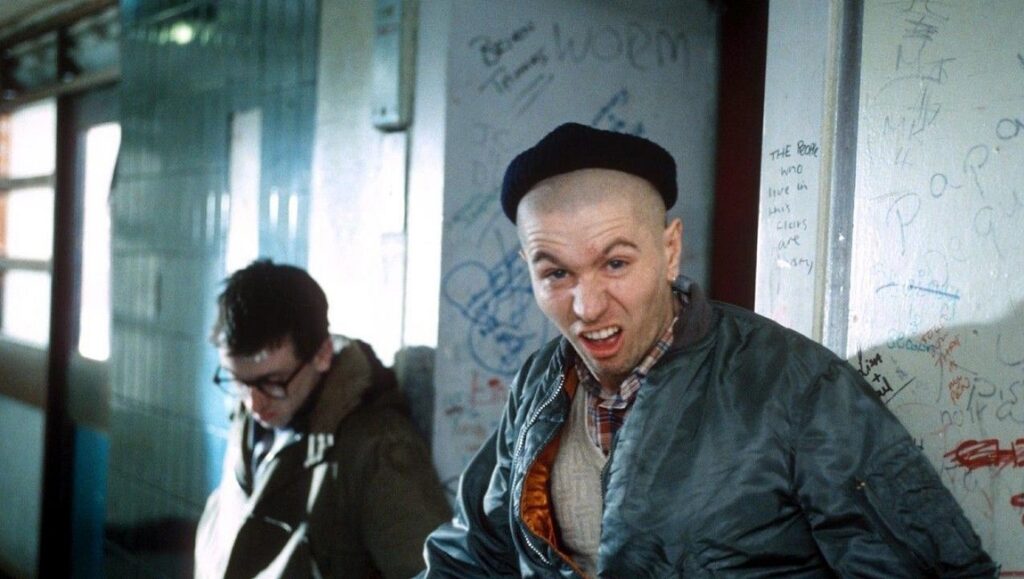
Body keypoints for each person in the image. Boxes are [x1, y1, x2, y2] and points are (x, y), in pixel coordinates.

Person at [419, 123, 997, 577]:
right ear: (528, 270)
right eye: (556, 274)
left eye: (616, 263)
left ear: (670, 250)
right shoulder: (540, 385)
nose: (586, 306)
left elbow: (926, 567)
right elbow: (474, 558)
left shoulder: (792, 385)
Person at [195, 259, 450, 578]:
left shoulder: (377, 449)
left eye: (273, 382)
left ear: (323, 354)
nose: (255, 404)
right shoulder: (248, 417)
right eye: (239, 382)